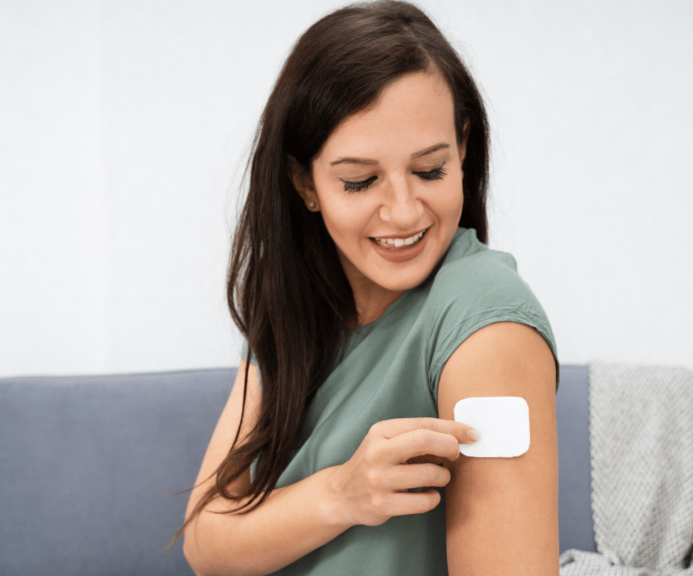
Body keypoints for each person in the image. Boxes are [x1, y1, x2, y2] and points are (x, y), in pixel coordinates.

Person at [172, 1, 560, 574]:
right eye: (360, 181)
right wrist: (342, 495)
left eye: (431, 170)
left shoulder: (485, 318)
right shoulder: (294, 316)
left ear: (464, 148)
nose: (404, 212)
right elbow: (205, 543)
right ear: (305, 182)